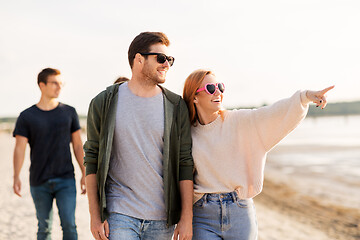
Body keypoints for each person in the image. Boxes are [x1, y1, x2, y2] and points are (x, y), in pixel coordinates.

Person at [182, 69, 334, 240]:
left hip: (239, 212)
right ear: (194, 97)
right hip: (203, 216)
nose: (218, 92)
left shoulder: (238, 121)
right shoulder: (187, 133)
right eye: (210, 88)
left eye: (220, 87)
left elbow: (271, 114)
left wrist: (304, 96)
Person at [84, 32, 194, 240]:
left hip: (162, 218)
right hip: (119, 212)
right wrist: (94, 215)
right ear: (138, 59)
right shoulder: (103, 102)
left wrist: (186, 217)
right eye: (161, 58)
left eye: (170, 60)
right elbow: (91, 159)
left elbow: (184, 163)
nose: (166, 64)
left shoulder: (176, 106)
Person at [12, 67, 86, 240]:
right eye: (54, 83)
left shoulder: (69, 112)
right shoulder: (26, 116)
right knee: (44, 228)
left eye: (61, 83)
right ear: (42, 85)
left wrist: (84, 172)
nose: (59, 87)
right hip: (39, 181)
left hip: (66, 179)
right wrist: (16, 176)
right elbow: (19, 148)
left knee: (69, 225)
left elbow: (77, 146)